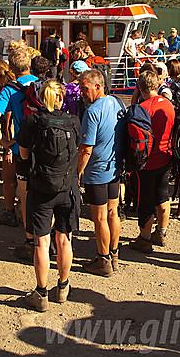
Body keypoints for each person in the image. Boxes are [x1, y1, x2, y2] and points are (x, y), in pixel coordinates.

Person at [17, 81, 81, 311]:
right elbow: (79, 147)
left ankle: (41, 292)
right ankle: (63, 287)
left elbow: (24, 155)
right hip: (67, 187)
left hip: (42, 188)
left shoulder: (32, 122)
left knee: (42, 242)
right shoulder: (73, 121)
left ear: (42, 99)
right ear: (62, 99)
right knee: (65, 239)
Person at [0, 48, 39, 258]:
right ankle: (49, 236)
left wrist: (5, 142)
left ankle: (30, 241)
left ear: (12, 68)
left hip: (21, 148)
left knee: (26, 197)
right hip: (45, 148)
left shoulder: (9, 90)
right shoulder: (42, 83)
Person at [78, 69, 125, 276]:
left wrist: (78, 172)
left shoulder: (92, 112)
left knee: (99, 218)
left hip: (97, 171)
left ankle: (103, 260)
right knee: (113, 212)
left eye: (85, 89)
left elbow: (86, 148)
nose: (82, 93)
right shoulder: (117, 103)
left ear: (98, 86)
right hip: (115, 168)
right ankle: (114, 254)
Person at [129, 70, 175, 253]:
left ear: (140, 88)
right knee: (162, 195)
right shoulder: (169, 105)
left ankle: (144, 238)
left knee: (145, 199)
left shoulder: (142, 108)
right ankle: (161, 232)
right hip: (166, 156)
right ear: (158, 84)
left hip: (147, 161)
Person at [0, 59, 20, 227]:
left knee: (8, 178)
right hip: (27, 141)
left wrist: (5, 145)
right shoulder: (23, 84)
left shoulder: (7, 90)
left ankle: (10, 211)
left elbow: (5, 122)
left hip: (14, 143)